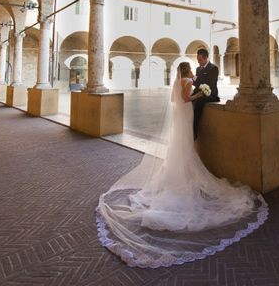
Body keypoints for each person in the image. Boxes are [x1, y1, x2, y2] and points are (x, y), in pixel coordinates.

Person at [96, 62, 268, 268]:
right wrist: (200, 95)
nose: (193, 72)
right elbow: (187, 99)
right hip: (186, 112)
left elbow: (175, 99)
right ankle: (185, 174)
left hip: (181, 114)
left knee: (181, 144)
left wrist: (195, 90)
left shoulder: (180, 81)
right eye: (191, 69)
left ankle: (179, 172)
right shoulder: (186, 81)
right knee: (186, 145)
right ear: (187, 71)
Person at [192, 48, 220, 140]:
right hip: (200, 92)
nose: (198, 62)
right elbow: (196, 84)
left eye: (200, 60)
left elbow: (209, 84)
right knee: (188, 99)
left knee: (199, 101)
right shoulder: (198, 69)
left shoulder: (213, 68)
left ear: (206, 58)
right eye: (197, 60)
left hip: (210, 94)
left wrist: (196, 80)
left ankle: (194, 130)